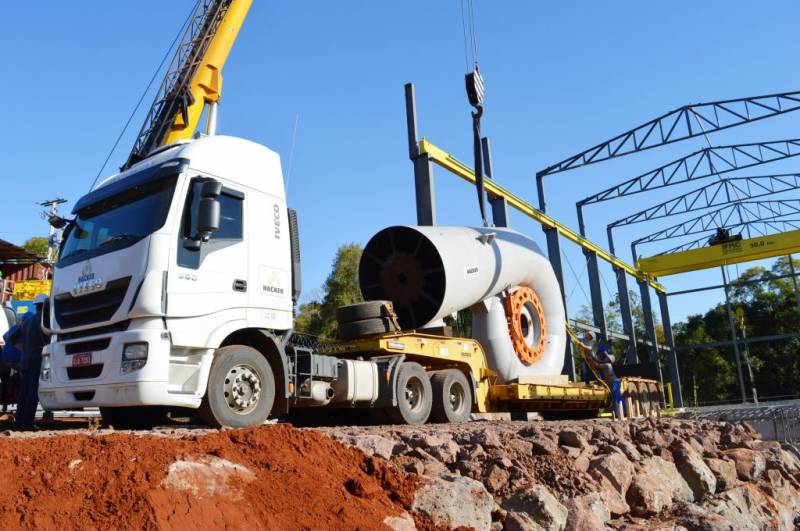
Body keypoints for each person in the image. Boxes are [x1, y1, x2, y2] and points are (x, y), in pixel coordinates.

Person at [15, 294, 50, 430]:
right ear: (45, 305)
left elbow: (10, 337)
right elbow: (46, 340)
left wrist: (23, 348)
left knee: (23, 392)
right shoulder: (42, 320)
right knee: (32, 393)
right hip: (36, 360)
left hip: (25, 359)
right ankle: (27, 423)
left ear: (36, 305)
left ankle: (19, 422)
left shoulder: (27, 321)